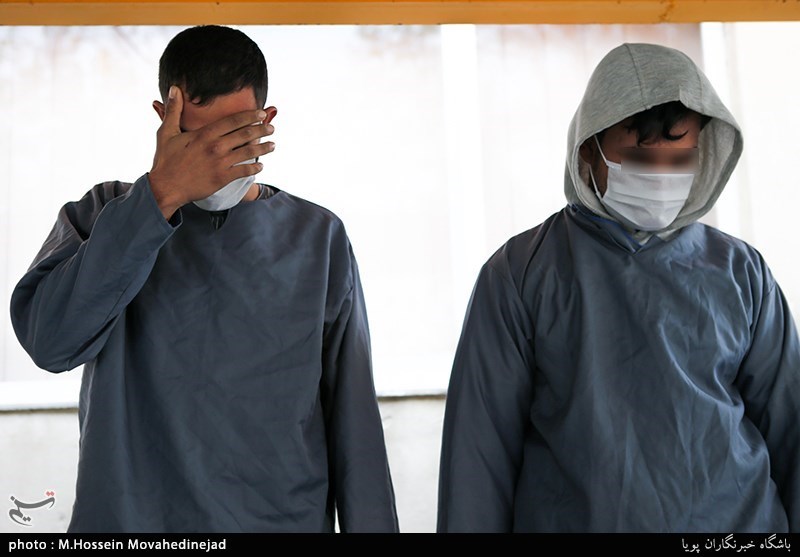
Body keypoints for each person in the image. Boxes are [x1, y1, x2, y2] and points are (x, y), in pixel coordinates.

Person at [10, 25, 398, 533]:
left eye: (235, 136)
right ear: (163, 120)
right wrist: (158, 198)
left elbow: (355, 423)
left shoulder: (317, 238)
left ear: (266, 122)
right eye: (196, 139)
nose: (216, 159)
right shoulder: (104, 215)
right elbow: (50, 343)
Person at [437, 43, 799, 532]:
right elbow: (478, 458)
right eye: (639, 158)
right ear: (588, 148)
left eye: (681, 160)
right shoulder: (521, 274)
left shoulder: (742, 272)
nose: (662, 178)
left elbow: (791, 427)